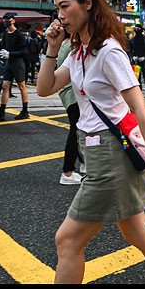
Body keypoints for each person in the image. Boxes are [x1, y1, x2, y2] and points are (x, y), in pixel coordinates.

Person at [36, 0, 145, 284]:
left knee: (68, 239)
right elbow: (44, 88)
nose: (59, 16)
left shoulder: (108, 51)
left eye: (65, 7)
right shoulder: (79, 53)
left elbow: (140, 108)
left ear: (87, 4)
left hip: (111, 158)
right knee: (139, 235)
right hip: (97, 152)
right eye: (56, 9)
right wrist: (52, 48)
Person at [56, 32, 85, 185]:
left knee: (80, 129)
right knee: (76, 131)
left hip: (68, 92)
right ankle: (67, 173)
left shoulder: (65, 44)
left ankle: (85, 164)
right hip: (73, 93)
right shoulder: (73, 46)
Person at [0, 12, 29, 121]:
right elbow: (0, 46)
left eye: (8, 19)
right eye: (4, 19)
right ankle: (2, 111)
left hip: (17, 63)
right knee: (5, 86)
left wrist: (10, 54)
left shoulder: (19, 34)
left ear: (13, 20)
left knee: (21, 86)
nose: (6, 21)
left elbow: (24, 51)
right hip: (9, 63)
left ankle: (24, 110)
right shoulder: (4, 34)